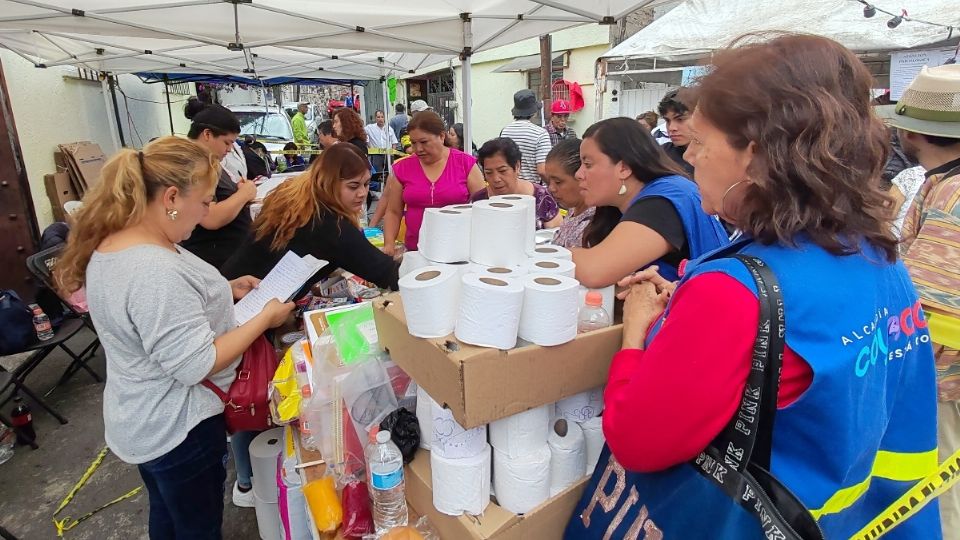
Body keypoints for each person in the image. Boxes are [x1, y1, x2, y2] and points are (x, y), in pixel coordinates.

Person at [590, 35, 940, 539]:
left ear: (753, 157)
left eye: (700, 144)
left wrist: (637, 334)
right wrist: (686, 316)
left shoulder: (732, 292)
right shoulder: (876, 252)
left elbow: (637, 440)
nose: (692, 161)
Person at [54, 136, 294, 538]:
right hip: (179, 426)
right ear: (170, 197)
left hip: (143, 417)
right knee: (196, 527)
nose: (205, 214)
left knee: (168, 517)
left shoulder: (124, 243)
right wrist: (264, 319)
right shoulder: (153, 271)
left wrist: (224, 289)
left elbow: (158, 317)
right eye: (203, 202)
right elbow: (195, 363)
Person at [878, 63, 960, 540]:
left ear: (912, 131)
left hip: (947, 382)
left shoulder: (950, 194)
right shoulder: (941, 183)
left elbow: (932, 305)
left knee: (944, 496)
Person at [570, 117, 728, 288]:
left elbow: (595, 270)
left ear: (624, 168)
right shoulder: (627, 205)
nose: (579, 174)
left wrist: (548, 255)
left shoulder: (664, 201)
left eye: (588, 164)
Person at [222, 143, 399, 290]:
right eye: (353, 186)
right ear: (328, 183)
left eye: (366, 184)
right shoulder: (328, 223)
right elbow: (386, 273)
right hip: (243, 304)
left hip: (230, 288)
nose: (362, 193)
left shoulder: (298, 196)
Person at [381, 111, 486, 255]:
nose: (418, 149)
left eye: (424, 142)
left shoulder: (465, 164)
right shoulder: (402, 168)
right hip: (415, 250)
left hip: (458, 251)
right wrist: (389, 245)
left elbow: (483, 208)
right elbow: (393, 211)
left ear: (442, 136)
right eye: (413, 143)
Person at [180, 98, 257, 270]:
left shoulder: (207, 163)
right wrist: (243, 194)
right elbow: (210, 218)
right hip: (213, 260)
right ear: (207, 134)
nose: (229, 149)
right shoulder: (194, 164)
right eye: (227, 142)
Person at [472, 137, 562, 229]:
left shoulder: (542, 198)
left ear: (517, 166)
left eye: (502, 171)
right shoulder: (480, 201)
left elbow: (555, 233)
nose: (496, 179)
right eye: (489, 173)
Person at [544, 139, 595, 248]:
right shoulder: (573, 210)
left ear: (581, 177)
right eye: (548, 182)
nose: (551, 188)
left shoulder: (592, 225)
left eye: (558, 182)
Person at [500, 89, 552, 184]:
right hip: (532, 190)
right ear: (534, 112)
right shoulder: (540, 133)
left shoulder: (505, 131)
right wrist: (554, 186)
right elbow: (542, 170)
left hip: (510, 188)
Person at [657, 87, 697, 175]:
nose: (671, 128)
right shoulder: (660, 156)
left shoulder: (721, 156)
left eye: (680, 119)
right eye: (667, 121)